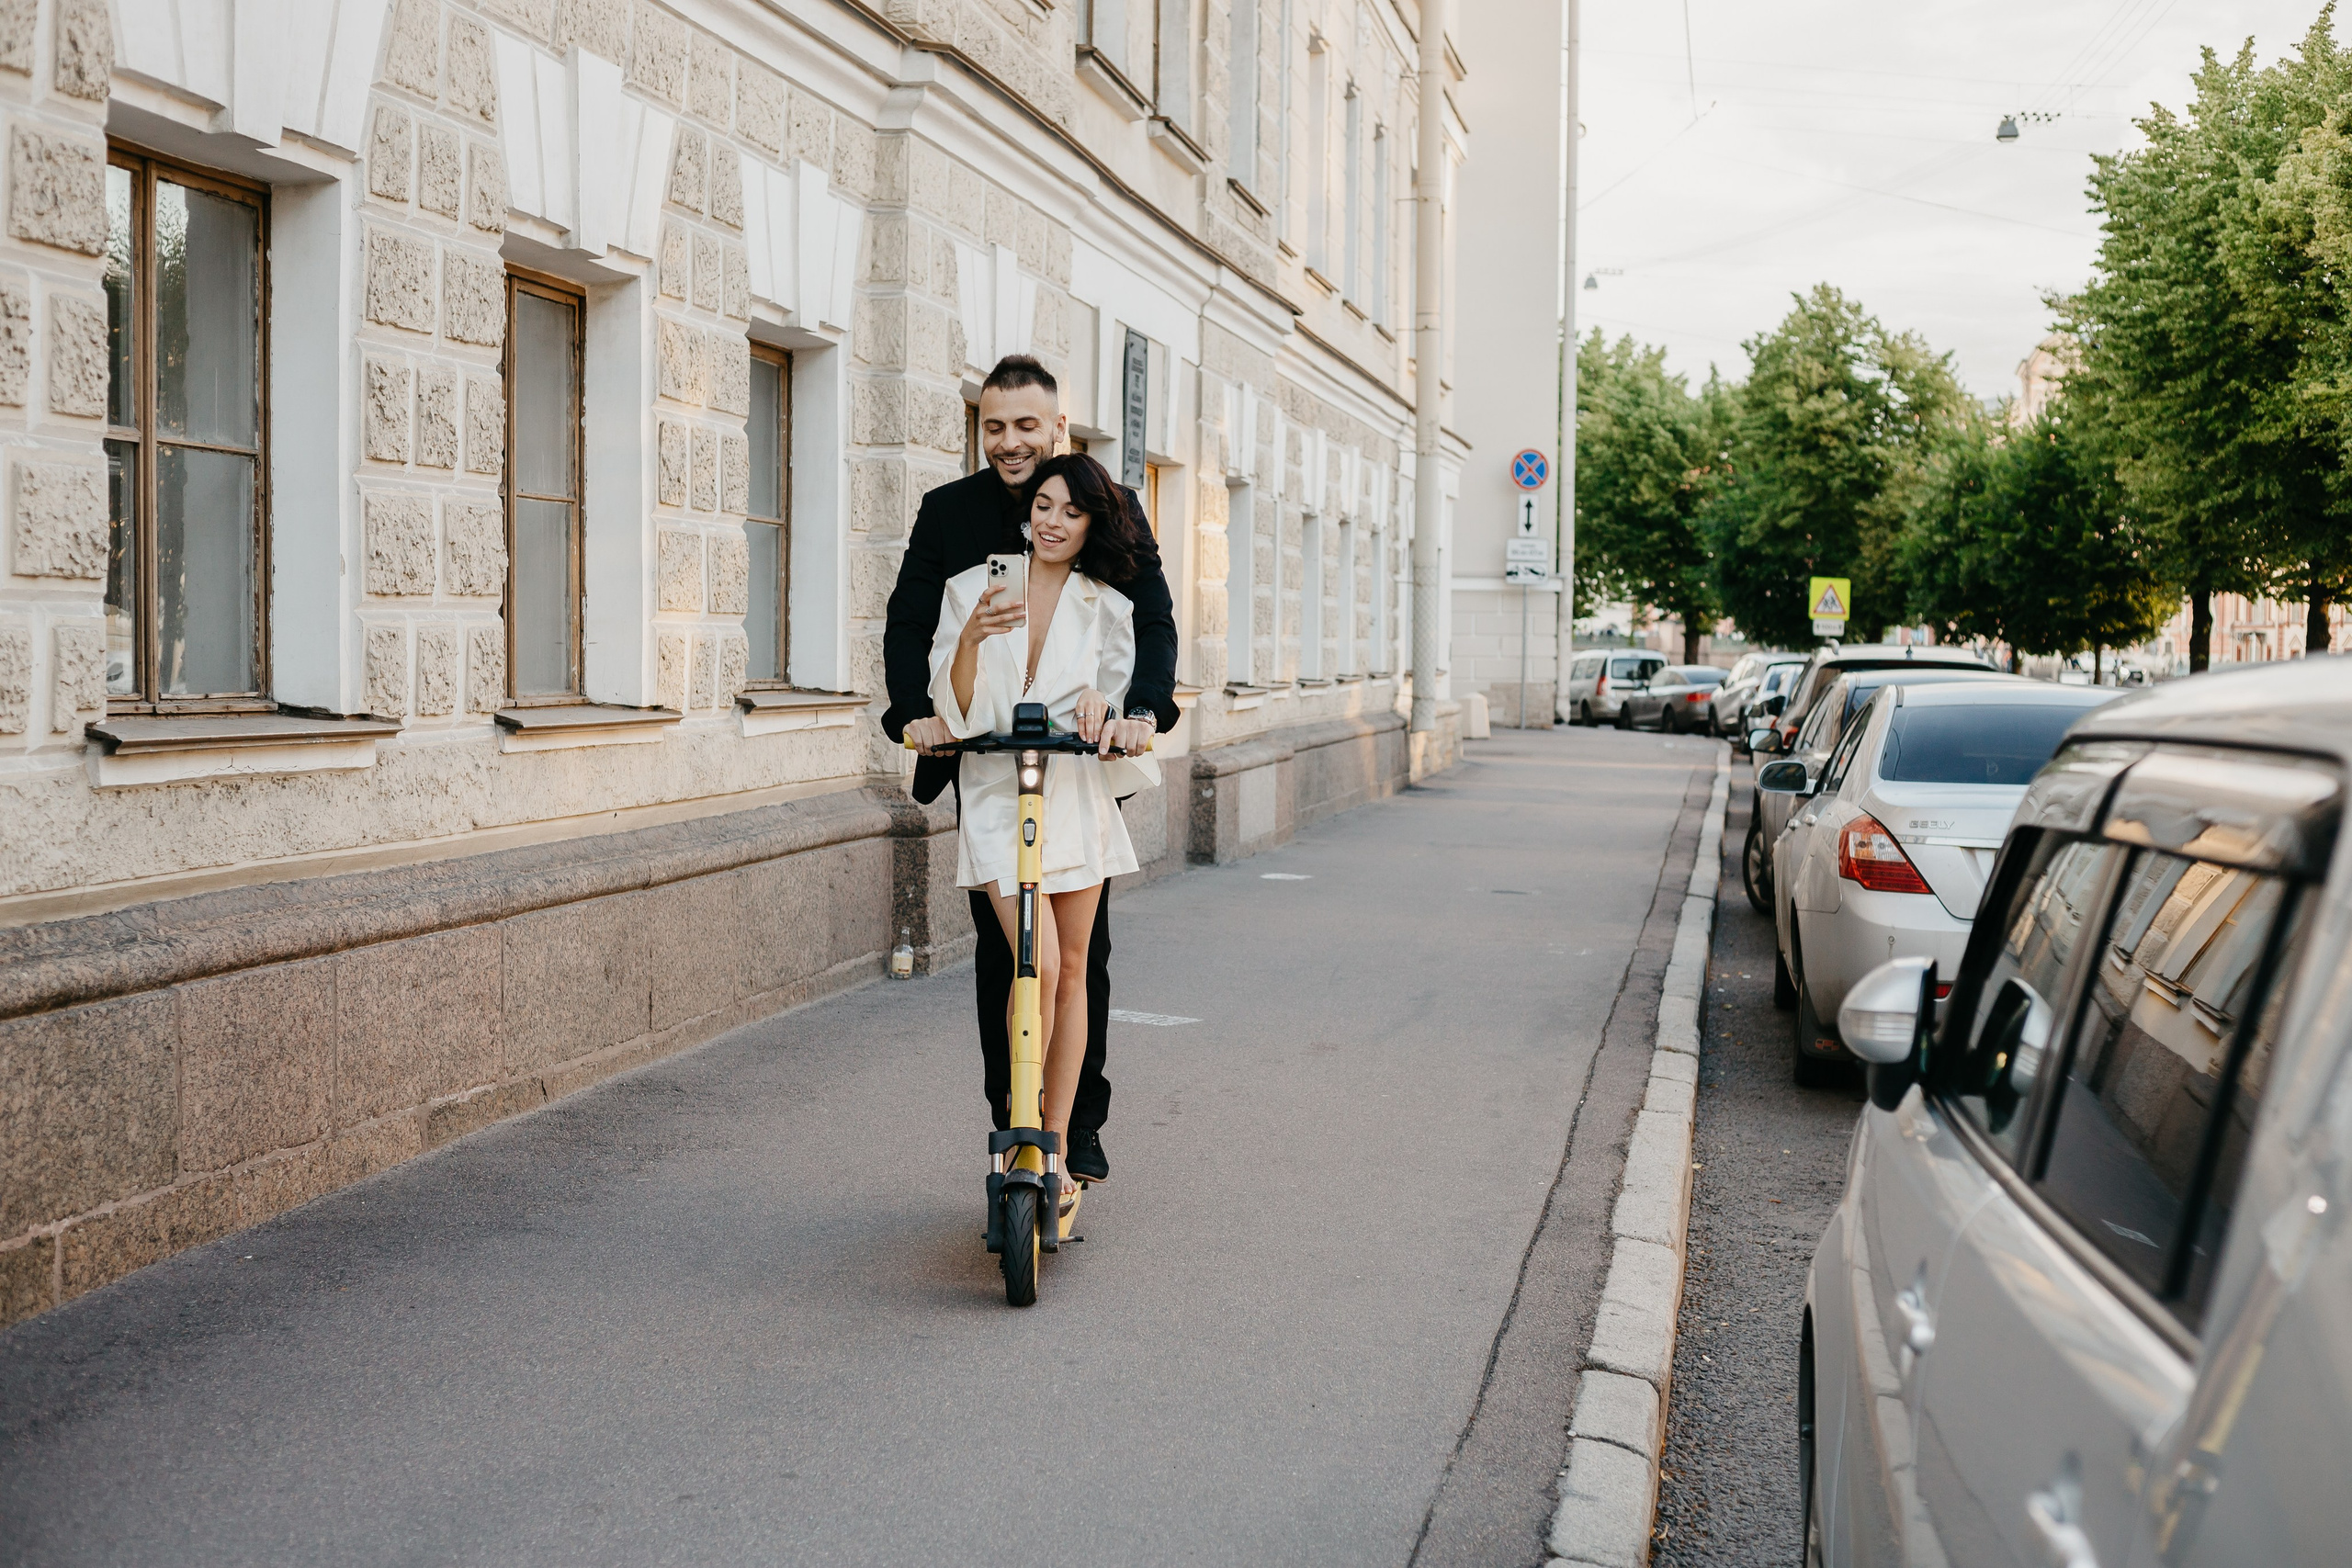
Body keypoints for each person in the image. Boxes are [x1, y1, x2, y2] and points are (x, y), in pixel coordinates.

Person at [881, 355, 1179, 1184]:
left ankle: (1073, 1125)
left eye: (1026, 426)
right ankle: (1011, 1120)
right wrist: (915, 711)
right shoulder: (952, 519)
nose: (1010, 442)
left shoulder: (1110, 516)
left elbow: (1151, 630)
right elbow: (911, 629)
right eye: (995, 426)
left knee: (1083, 958)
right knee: (1012, 959)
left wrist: (1134, 711)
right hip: (990, 767)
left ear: (1057, 425)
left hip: (1074, 778)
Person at [926, 455, 1162, 1183]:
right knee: (1040, 960)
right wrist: (969, 639)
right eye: (1043, 505)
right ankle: (1018, 1122)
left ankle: (1052, 1143)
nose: (1053, 521)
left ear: (1092, 524)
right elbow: (953, 705)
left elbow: (1119, 702)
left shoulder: (1107, 606)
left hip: (1074, 795)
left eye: (1071, 511)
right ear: (1027, 512)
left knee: (1072, 972)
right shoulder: (973, 587)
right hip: (999, 792)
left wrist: (1106, 707)